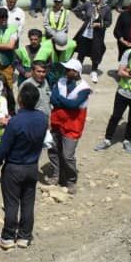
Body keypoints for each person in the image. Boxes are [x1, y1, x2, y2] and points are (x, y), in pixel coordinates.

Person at [0, 83, 46, 250]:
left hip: (14, 168)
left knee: (12, 203)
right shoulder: (43, 119)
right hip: (32, 167)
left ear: (20, 100)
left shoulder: (15, 122)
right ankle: (24, 237)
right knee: (28, 203)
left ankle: (7, 237)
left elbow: (3, 148)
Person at [95, 31, 131, 154]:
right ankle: (107, 139)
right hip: (123, 91)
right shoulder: (128, 53)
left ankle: (127, 140)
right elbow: (120, 72)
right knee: (115, 116)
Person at [48, 58, 91, 194]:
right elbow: (53, 100)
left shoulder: (84, 88)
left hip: (73, 125)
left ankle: (71, 180)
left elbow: (74, 105)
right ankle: (56, 174)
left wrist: (61, 101)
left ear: (76, 72)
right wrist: (65, 102)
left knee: (67, 155)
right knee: (54, 149)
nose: (65, 71)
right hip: (57, 121)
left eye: (68, 70)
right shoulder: (60, 81)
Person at [72, 0, 112, 83]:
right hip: (86, 32)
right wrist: (84, 18)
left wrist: (100, 24)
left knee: (96, 52)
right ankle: (78, 69)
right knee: (81, 51)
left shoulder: (106, 8)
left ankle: (94, 71)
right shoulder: (89, 4)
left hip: (98, 35)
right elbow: (76, 10)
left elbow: (109, 22)